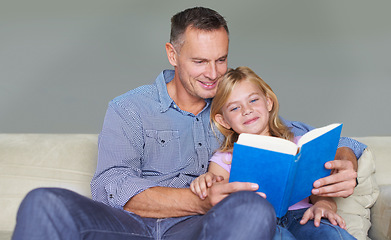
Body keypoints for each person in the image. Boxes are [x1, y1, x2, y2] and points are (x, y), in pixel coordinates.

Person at [12, 7, 366, 240]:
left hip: (202, 231)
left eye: (221, 59)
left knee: (251, 207)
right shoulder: (130, 108)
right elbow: (110, 185)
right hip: (131, 229)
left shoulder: (232, 106)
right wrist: (199, 200)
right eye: (199, 61)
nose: (213, 74)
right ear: (172, 54)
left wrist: (346, 158)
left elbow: (298, 136)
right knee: (43, 201)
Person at [190, 66, 354, 239]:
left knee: (333, 235)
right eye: (234, 108)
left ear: (268, 102)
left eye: (253, 100)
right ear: (223, 120)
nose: (247, 110)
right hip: (259, 222)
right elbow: (217, 195)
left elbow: (319, 190)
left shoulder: (298, 147)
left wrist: (323, 206)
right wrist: (206, 181)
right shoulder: (225, 158)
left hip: (304, 215)